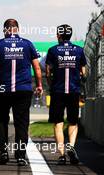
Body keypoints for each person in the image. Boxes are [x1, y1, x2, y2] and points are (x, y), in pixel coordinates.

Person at [0, 19, 43, 166]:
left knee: (1, 120)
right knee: (21, 123)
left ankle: (3, 152)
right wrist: (39, 85)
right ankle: (20, 156)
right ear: (17, 29)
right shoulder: (27, 43)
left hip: (3, 89)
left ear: (5, 30)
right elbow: (37, 68)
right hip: (23, 90)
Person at [45, 24, 87, 165]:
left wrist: (51, 85)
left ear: (59, 35)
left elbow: (48, 72)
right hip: (74, 91)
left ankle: (62, 155)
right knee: (73, 122)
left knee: (58, 123)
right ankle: (71, 147)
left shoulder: (52, 50)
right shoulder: (79, 50)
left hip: (57, 91)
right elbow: (84, 73)